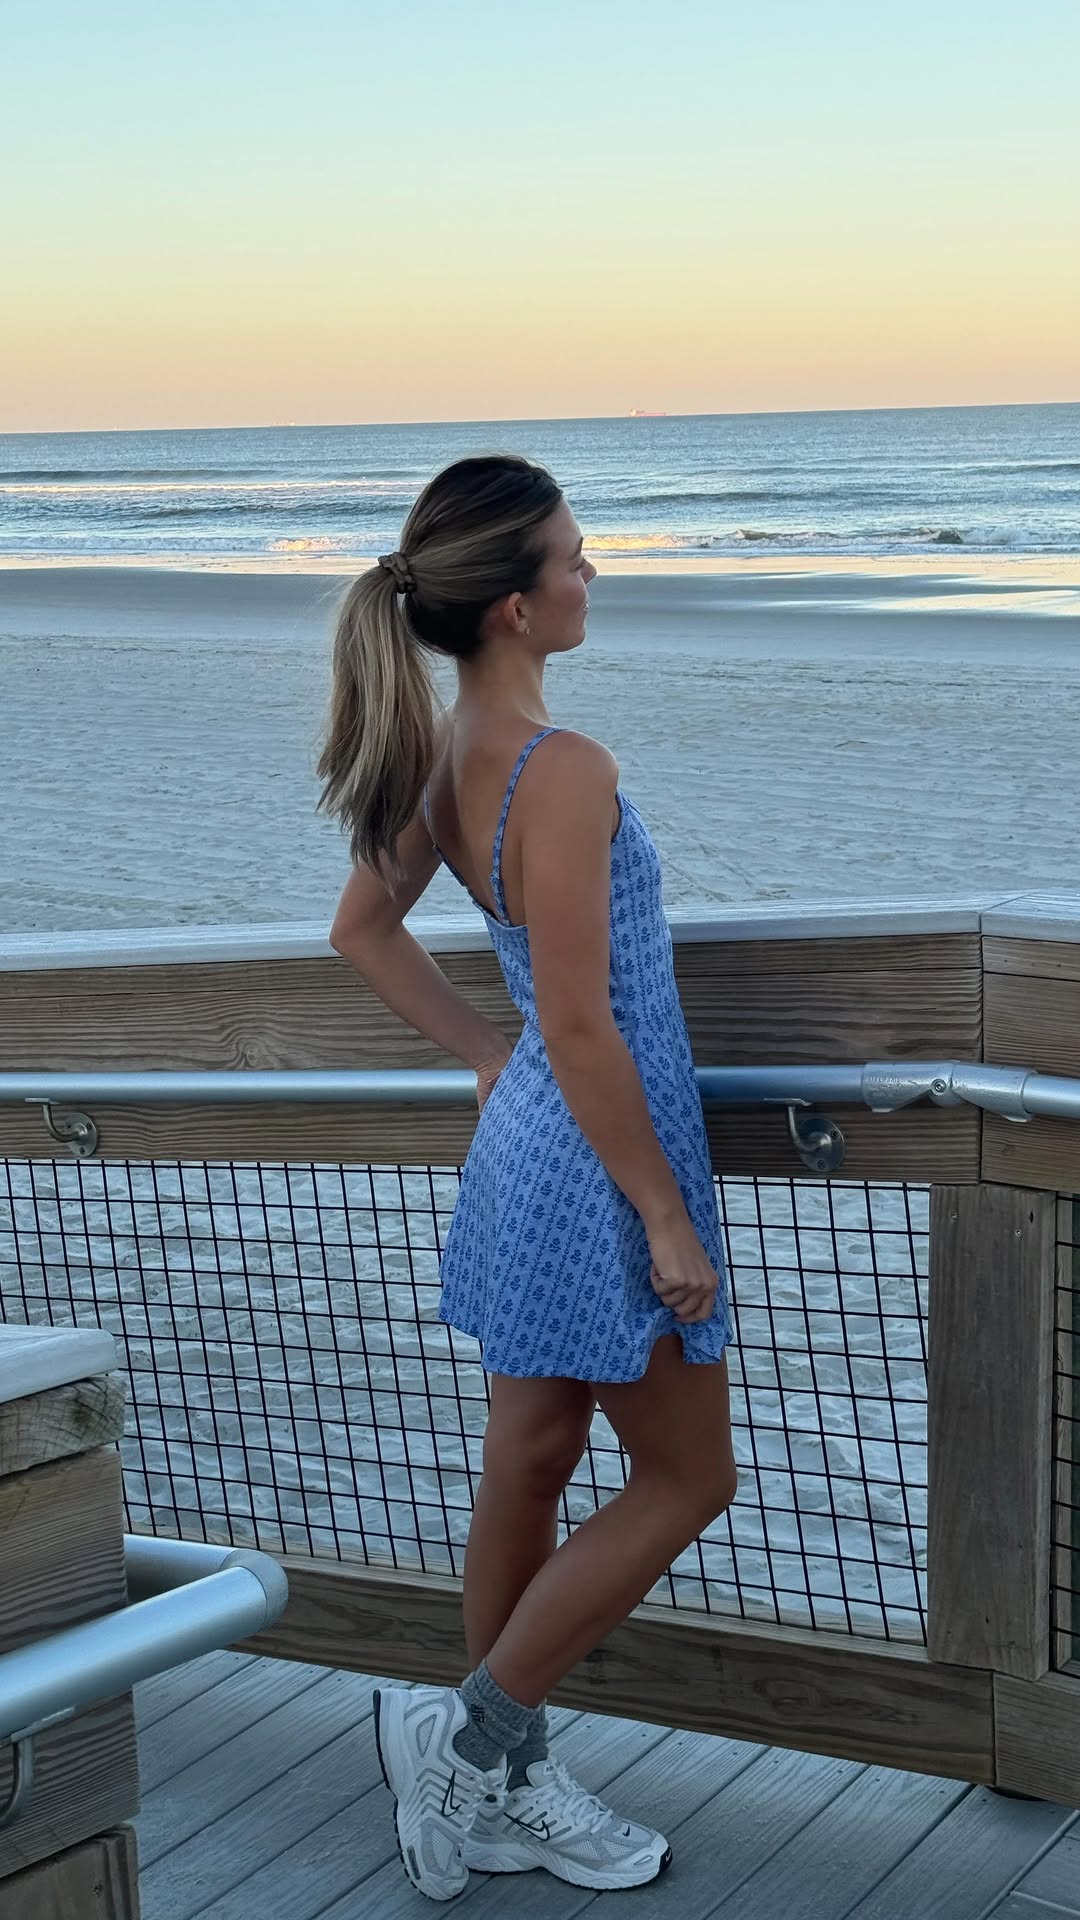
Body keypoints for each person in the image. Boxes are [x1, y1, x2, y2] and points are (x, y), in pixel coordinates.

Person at [321, 455, 736, 1903]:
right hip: (601, 1161)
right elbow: (581, 1018)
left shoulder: (442, 753)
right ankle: (469, 1744)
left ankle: (502, 1787)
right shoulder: (562, 769)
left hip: (535, 1147)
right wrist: (664, 1212)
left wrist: (484, 1059)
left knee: (535, 1453)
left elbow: (361, 929)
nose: (590, 574)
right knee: (689, 1476)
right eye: (572, 556)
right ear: (513, 604)